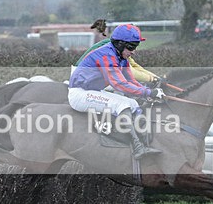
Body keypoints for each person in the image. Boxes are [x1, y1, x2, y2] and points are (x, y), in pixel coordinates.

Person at [68, 23, 165, 160]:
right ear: (120, 44)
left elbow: (130, 80)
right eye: (131, 47)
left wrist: (149, 91)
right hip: (79, 94)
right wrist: (147, 93)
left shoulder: (121, 57)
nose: (133, 51)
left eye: (135, 47)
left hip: (92, 91)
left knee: (133, 103)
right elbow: (119, 84)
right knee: (122, 105)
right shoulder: (106, 55)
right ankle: (137, 147)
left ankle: (144, 140)